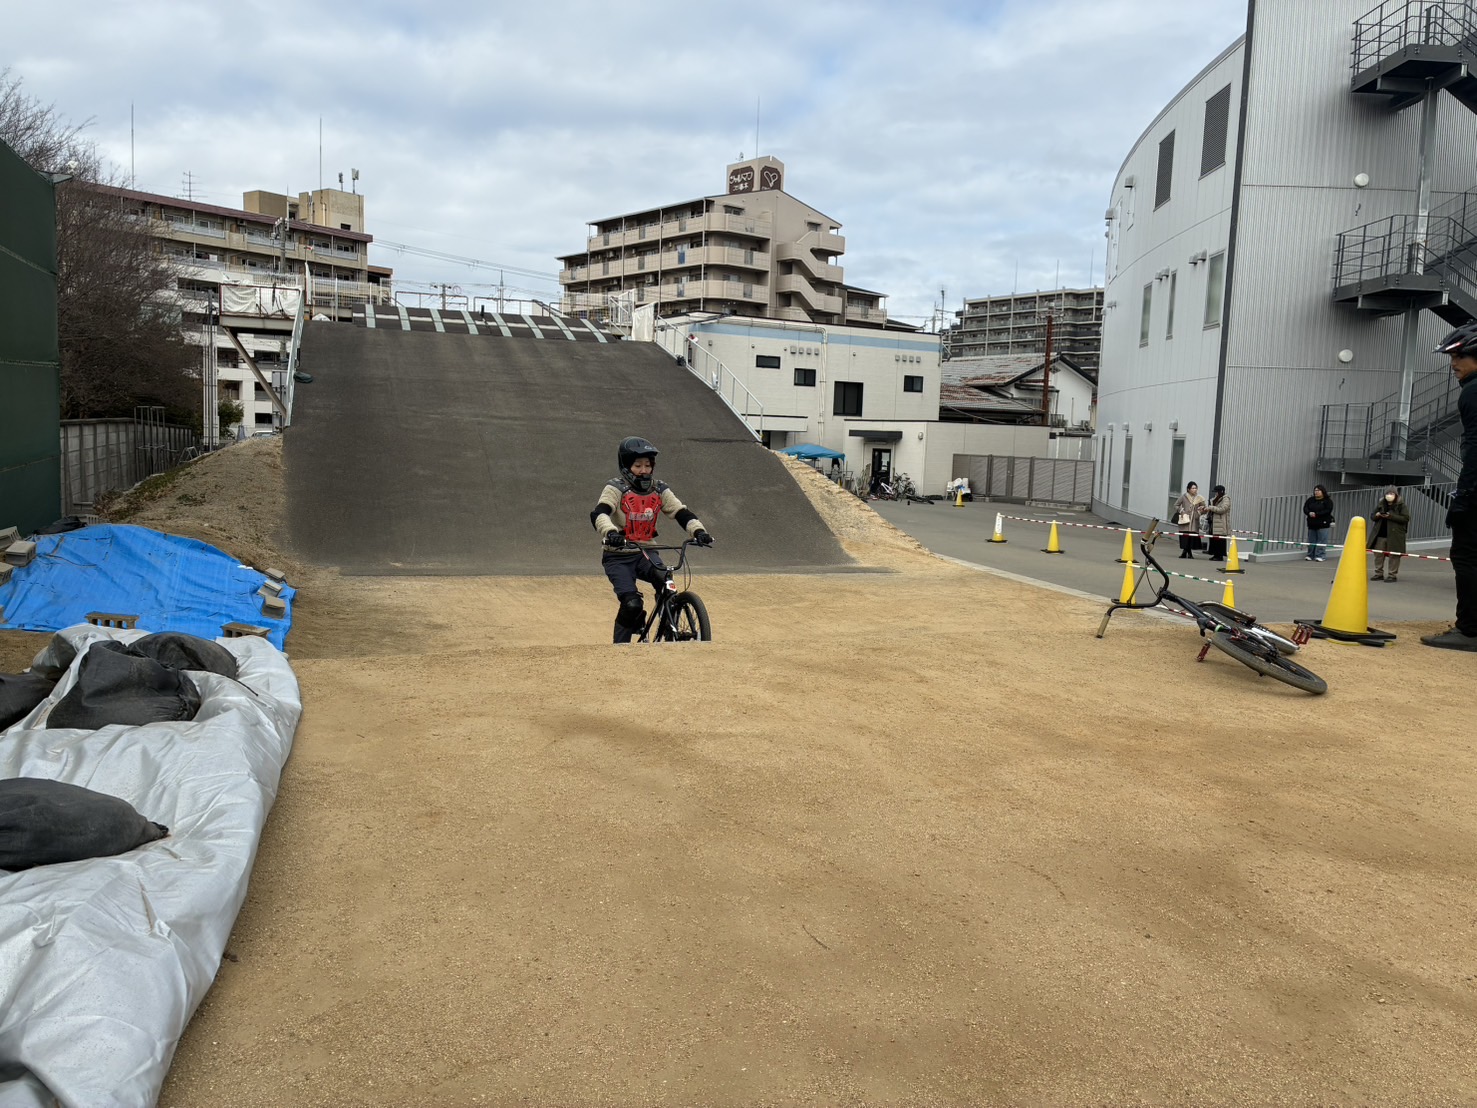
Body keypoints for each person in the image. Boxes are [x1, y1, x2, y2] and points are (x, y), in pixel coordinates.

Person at [590, 436, 713, 644]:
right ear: (626, 466)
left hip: (646, 553)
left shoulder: (659, 489)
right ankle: (620, 648)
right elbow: (600, 513)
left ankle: (669, 625)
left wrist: (698, 531)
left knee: (667, 584)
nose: (644, 470)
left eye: (648, 465)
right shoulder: (615, 488)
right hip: (618, 556)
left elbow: (680, 512)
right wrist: (610, 533)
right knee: (632, 604)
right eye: (638, 466)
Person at [1422, 323, 1477, 650]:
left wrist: (1465, 495)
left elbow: (1476, 446)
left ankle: (1469, 630)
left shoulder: (1472, 391)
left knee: (1466, 556)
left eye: (1460, 356)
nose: (1453, 363)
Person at [1367, 485, 1410, 583]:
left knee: (1394, 555)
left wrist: (1391, 516)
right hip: (1380, 534)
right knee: (1378, 555)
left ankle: (1392, 575)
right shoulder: (1381, 504)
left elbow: (1405, 518)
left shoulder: (1401, 505)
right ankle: (1379, 573)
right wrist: (1377, 515)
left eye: (1391, 493)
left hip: (1395, 535)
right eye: (1387, 493)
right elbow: (1372, 516)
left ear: (1396, 495)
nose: (1389, 495)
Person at [1171, 481, 1205, 559]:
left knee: (1191, 537)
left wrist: (1200, 511)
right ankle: (1187, 553)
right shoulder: (1184, 497)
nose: (1194, 490)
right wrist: (1181, 510)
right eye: (1193, 488)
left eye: (1195, 488)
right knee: (1185, 537)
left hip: (1194, 520)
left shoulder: (1199, 498)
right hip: (1185, 519)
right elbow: (1176, 505)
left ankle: (1186, 553)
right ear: (1188, 489)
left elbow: (1204, 508)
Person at [1303, 484, 1335, 561]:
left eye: (1318, 490)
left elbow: (1327, 510)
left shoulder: (1328, 501)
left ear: (1323, 491)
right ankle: (1310, 555)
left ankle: (1320, 555)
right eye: (1315, 490)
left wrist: (1316, 514)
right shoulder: (1310, 500)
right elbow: (1305, 508)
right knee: (1311, 540)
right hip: (1312, 523)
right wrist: (1309, 513)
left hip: (1323, 523)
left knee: (1321, 540)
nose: (1316, 492)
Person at [1203, 485, 1231, 561]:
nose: (1215, 494)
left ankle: (1219, 555)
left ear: (1221, 492)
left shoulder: (1226, 499)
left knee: (1220, 540)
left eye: (1216, 492)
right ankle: (1215, 554)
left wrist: (1211, 507)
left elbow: (1222, 509)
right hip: (1214, 522)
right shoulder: (1216, 499)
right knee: (1214, 540)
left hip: (1221, 523)